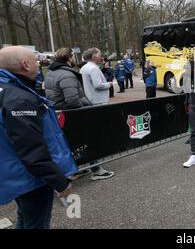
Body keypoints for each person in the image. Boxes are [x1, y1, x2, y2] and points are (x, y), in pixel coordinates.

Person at [0, 46, 76, 229]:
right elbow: (32, 150)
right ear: (25, 65)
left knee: (26, 218)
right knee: (36, 223)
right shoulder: (19, 98)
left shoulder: (8, 90)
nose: (39, 63)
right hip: (30, 178)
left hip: (14, 172)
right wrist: (60, 183)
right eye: (35, 60)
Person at [80, 48, 115, 180]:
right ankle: (97, 169)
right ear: (94, 56)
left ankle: (92, 165)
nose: (101, 57)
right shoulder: (93, 69)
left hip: (90, 102)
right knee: (97, 137)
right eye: (99, 55)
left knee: (92, 137)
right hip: (97, 103)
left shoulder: (84, 68)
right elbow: (98, 85)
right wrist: (109, 84)